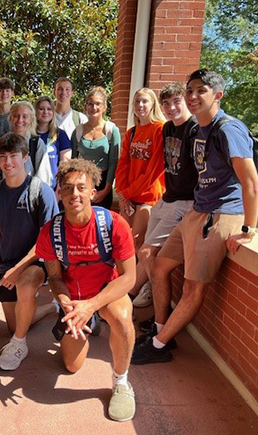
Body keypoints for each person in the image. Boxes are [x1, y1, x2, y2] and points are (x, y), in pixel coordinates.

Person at [131, 69, 258, 364]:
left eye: (201, 90)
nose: (192, 96)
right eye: (190, 90)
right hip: (196, 211)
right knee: (159, 267)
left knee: (193, 286)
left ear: (218, 95)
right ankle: (163, 329)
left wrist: (249, 228)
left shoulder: (228, 129)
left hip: (220, 215)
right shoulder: (200, 129)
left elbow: (251, 183)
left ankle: (159, 346)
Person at [35, 158, 137, 422]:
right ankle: (86, 323)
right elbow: (55, 278)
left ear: (93, 192)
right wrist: (66, 304)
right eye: (67, 188)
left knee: (123, 321)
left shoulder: (114, 225)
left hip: (104, 293)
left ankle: (121, 382)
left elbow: (129, 278)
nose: (74, 194)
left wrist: (92, 305)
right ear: (59, 193)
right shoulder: (50, 232)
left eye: (81, 187)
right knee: (71, 366)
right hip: (74, 300)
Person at [0, 132, 58, 371]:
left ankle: (19, 345)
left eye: (13, 156)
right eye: (2, 156)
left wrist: (17, 269)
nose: (8, 162)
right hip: (7, 263)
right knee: (15, 324)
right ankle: (51, 307)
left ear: (25, 157)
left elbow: (47, 241)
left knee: (24, 286)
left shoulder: (41, 191)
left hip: (37, 262)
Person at [129, 83, 198, 310]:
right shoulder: (168, 129)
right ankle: (148, 292)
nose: (171, 107)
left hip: (185, 202)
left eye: (176, 101)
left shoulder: (195, 129)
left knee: (147, 252)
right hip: (167, 198)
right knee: (144, 252)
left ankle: (131, 297)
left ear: (186, 100)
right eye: (166, 103)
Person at [115, 88, 166, 251]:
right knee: (124, 241)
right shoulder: (132, 132)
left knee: (137, 241)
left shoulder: (160, 129)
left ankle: (137, 276)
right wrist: (122, 193)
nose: (140, 105)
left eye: (145, 101)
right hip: (129, 195)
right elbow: (123, 164)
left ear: (153, 104)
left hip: (148, 196)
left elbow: (153, 171)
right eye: (137, 101)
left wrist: (128, 193)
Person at [71, 87, 121, 210]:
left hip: (103, 184)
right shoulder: (78, 131)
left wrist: (106, 190)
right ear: (86, 106)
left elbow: (114, 162)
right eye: (90, 104)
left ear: (104, 106)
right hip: (82, 182)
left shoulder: (111, 130)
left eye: (98, 104)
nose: (94, 108)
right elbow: (72, 160)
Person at [0, 101, 52, 186]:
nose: (20, 120)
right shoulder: (0, 143)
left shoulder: (36, 144)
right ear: (10, 118)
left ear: (30, 119)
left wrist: (31, 195)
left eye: (25, 117)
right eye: (16, 116)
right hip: (5, 196)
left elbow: (43, 175)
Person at [34, 96, 71, 189]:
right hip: (30, 185)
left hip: (52, 186)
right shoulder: (29, 134)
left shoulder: (60, 135)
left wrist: (59, 187)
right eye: (41, 109)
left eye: (49, 109)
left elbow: (65, 164)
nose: (45, 112)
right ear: (35, 112)